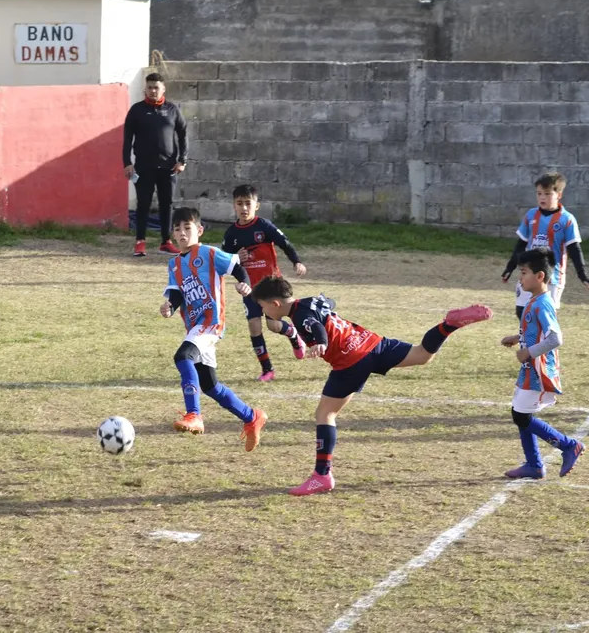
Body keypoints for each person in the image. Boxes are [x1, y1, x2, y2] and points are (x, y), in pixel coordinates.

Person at [251, 276, 492, 496]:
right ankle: (448, 325)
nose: (262, 310)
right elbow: (319, 312)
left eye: (263, 306)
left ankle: (322, 475)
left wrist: (321, 343)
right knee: (422, 355)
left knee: (325, 413)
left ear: (275, 303)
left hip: (351, 360)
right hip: (371, 342)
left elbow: (315, 327)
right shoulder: (310, 301)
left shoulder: (301, 317)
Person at [160, 207, 267, 451]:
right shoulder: (174, 264)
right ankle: (252, 416)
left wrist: (244, 284)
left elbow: (237, 267)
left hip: (210, 323)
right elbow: (176, 293)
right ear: (173, 235)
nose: (182, 233)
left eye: (187, 228)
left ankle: (194, 414)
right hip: (195, 326)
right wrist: (169, 306)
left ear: (199, 230)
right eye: (177, 229)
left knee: (182, 356)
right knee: (209, 385)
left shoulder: (208, 253)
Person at [501, 247, 583, 479]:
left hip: (538, 369)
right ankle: (534, 465)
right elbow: (535, 330)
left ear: (539, 276)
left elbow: (556, 338)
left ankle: (568, 446)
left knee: (521, 415)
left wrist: (528, 352)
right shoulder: (535, 300)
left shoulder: (542, 303)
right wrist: (517, 337)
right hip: (530, 368)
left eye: (524, 272)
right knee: (520, 413)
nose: (520, 277)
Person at [220, 184, 308, 381]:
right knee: (254, 326)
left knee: (274, 326)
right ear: (234, 206)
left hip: (270, 286)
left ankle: (293, 335)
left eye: (248, 204)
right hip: (249, 288)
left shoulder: (264, 226)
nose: (244, 208)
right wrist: (235, 257)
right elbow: (225, 261)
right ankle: (267, 369)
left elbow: (285, 243)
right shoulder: (231, 234)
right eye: (239, 204)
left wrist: (297, 261)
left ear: (256, 206)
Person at [501, 172, 589, 320]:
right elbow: (521, 245)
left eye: (547, 194)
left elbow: (574, 249)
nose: (542, 197)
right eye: (539, 193)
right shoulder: (531, 215)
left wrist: (583, 275)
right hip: (528, 273)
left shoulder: (567, 220)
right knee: (522, 312)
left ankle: (547, 342)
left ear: (558, 195)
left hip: (552, 277)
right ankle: (527, 342)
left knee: (545, 317)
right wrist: (510, 267)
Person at [123, 72, 188, 258]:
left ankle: (166, 242)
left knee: (167, 204)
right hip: (143, 167)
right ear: (146, 88)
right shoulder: (136, 110)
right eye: (150, 87)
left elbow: (183, 135)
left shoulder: (172, 110)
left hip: (168, 167)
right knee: (143, 204)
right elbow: (127, 138)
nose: (153, 91)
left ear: (163, 89)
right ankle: (140, 242)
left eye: (156, 87)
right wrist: (127, 163)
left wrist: (182, 160)